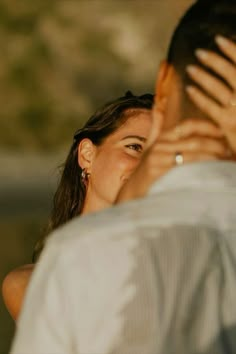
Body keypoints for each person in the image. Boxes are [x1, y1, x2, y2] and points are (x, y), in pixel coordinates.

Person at [9, 1, 236, 352]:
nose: (150, 161)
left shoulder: (159, 240)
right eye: (134, 147)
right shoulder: (41, 272)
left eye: (160, 148)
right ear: (87, 154)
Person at [3, 90, 229, 321]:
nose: (148, 166)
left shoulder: (180, 273)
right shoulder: (29, 281)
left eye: (159, 155)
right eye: (135, 147)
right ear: (87, 155)